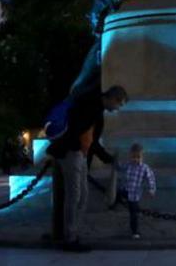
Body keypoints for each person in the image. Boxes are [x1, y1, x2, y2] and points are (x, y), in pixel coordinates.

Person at [46, 85, 128, 252]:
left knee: (82, 196)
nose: (117, 108)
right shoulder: (90, 105)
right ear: (113, 99)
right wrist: (80, 148)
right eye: (119, 104)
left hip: (80, 155)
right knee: (74, 196)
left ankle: (73, 234)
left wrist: (108, 159)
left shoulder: (95, 108)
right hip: (72, 153)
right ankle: (70, 238)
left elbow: (92, 140)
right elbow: (78, 131)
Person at [121, 143, 156, 239]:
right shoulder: (128, 165)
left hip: (135, 195)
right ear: (130, 155)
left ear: (142, 156)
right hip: (126, 191)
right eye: (133, 157)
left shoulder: (144, 168)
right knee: (131, 209)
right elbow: (120, 168)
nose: (135, 159)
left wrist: (151, 189)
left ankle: (135, 231)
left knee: (134, 214)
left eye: (138, 157)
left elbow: (150, 178)